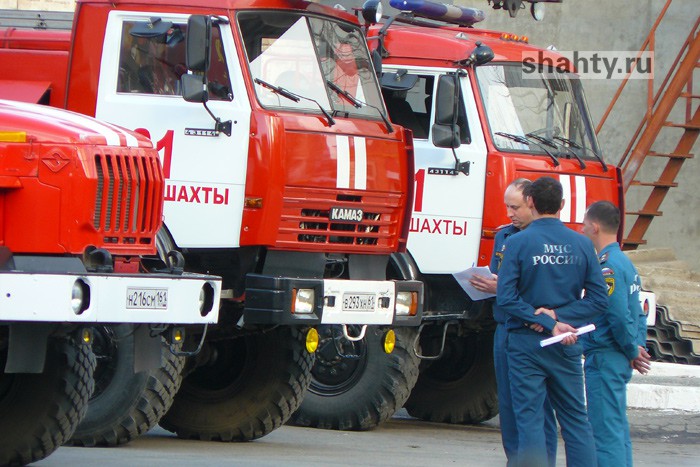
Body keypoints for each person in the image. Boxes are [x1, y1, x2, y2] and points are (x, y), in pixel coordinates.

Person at [496, 176, 608, 467]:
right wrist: (560, 318)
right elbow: (598, 300)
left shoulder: (518, 242)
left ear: (530, 202)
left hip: (525, 344)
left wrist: (548, 320)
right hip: (567, 342)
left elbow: (506, 299)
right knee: (575, 419)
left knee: (530, 420)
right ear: (562, 205)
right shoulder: (582, 244)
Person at [470, 178, 558, 467]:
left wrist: (503, 289)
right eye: (507, 206)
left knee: (537, 407)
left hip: (534, 329)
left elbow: (546, 290)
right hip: (504, 328)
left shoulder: (547, 241)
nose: (510, 213)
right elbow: (499, 274)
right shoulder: (504, 237)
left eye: (515, 207)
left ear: (532, 204)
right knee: (508, 406)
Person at [581, 200, 652, 467]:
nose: (582, 228)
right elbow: (638, 311)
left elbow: (617, 315)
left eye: (585, 223)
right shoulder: (625, 263)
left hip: (605, 356)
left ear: (595, 227)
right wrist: (636, 346)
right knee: (618, 430)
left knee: (605, 434)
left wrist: (632, 349)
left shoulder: (607, 266)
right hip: (619, 356)